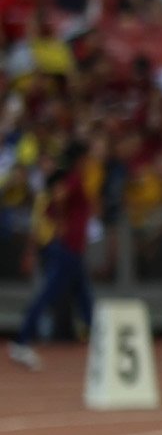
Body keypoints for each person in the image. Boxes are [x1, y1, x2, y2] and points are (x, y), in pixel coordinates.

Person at [8, 151, 97, 371]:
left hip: (72, 252)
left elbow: (52, 206)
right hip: (66, 252)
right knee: (49, 295)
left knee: (84, 298)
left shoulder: (71, 187)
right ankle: (22, 340)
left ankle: (103, 345)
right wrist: (60, 210)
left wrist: (60, 214)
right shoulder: (73, 180)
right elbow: (54, 202)